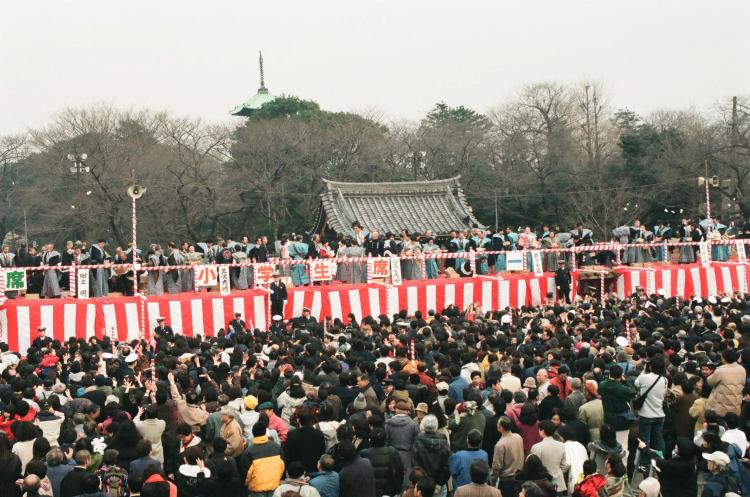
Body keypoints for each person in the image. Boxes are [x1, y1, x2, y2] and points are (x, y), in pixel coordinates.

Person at [634, 355, 668, 471]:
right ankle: (660, 460)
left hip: (646, 414)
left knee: (644, 439)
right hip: (660, 414)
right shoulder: (664, 379)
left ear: (651, 366)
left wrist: (644, 369)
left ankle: (644, 464)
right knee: (658, 438)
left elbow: (636, 384)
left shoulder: (644, 377)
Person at [598, 365, 636, 463]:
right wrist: (624, 380)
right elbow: (633, 392)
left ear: (609, 374)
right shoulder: (621, 388)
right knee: (622, 447)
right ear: (621, 375)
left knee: (608, 447)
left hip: (608, 420)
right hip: (621, 420)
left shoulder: (602, 385)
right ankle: (622, 470)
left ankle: (610, 468)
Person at [413, 414, 451, 497]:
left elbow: (416, 465)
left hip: (423, 485)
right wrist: (439, 484)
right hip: (440, 483)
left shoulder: (418, 441)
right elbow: (446, 466)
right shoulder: (443, 440)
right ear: (436, 426)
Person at [243, 423, 285, 497]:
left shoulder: (249, 452)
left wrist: (247, 486)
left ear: (253, 433)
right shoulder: (277, 447)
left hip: (256, 489)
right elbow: (282, 467)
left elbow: (246, 474)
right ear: (265, 432)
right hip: (274, 487)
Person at [360, 427, 403, 497]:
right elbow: (400, 471)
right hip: (389, 491)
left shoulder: (364, 453)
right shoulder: (392, 452)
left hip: (370, 491)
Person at [529, 420, 569, 494]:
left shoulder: (536, 447)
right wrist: (557, 471)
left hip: (543, 485)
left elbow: (533, 467)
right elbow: (565, 465)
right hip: (558, 483)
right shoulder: (562, 445)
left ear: (542, 431)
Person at [489, 416, 524, 497]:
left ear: (501, 428)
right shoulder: (518, 437)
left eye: (498, 424)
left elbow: (497, 466)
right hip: (519, 478)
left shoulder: (500, 445)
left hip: (506, 481)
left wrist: (493, 481)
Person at [707, 349, 746, 417]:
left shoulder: (721, 370)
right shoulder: (742, 369)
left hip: (721, 406)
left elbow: (710, 382)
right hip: (736, 405)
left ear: (724, 359)